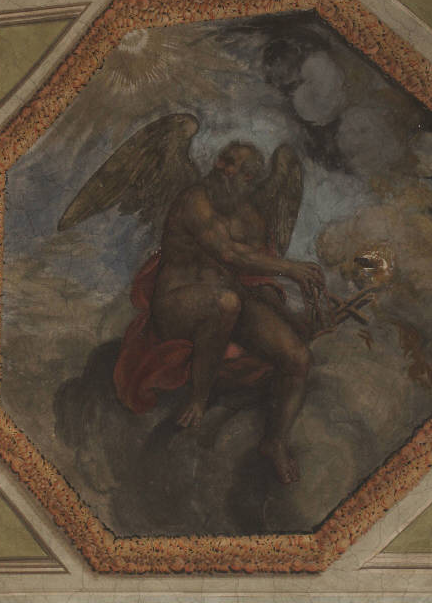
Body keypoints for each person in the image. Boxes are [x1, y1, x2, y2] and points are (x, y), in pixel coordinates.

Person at [114, 142, 325, 483]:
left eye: (237, 168)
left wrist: (295, 318)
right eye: (225, 160)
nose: (225, 169)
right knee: (226, 303)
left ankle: (274, 441)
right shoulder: (194, 200)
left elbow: (253, 275)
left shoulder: (252, 218)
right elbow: (229, 253)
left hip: (230, 299)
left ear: (250, 179)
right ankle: (199, 398)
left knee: (298, 357)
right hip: (176, 304)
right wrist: (291, 268)